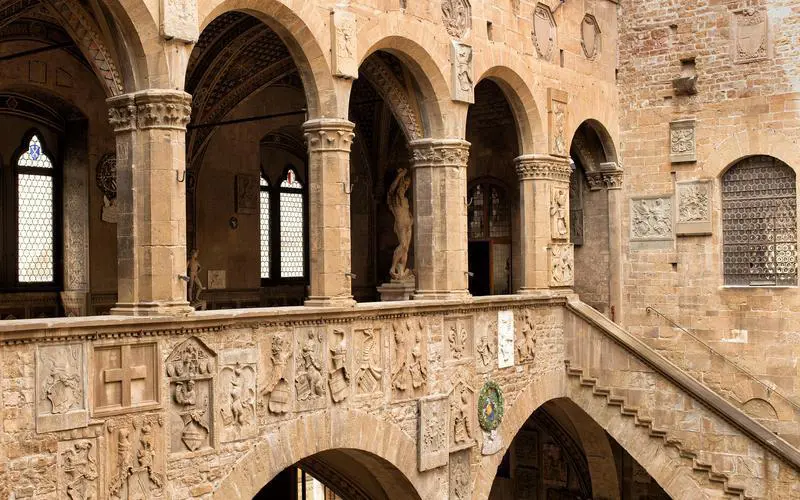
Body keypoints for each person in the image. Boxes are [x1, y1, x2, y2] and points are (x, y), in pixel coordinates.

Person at [387, 168, 413, 281]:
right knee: (402, 245)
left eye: (407, 185)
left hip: (408, 224)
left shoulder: (405, 199)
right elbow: (391, 189)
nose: (405, 187)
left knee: (406, 248)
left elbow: (408, 213)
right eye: (404, 185)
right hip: (400, 224)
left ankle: (401, 271)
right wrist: (399, 176)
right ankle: (392, 268)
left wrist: (411, 220)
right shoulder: (395, 199)